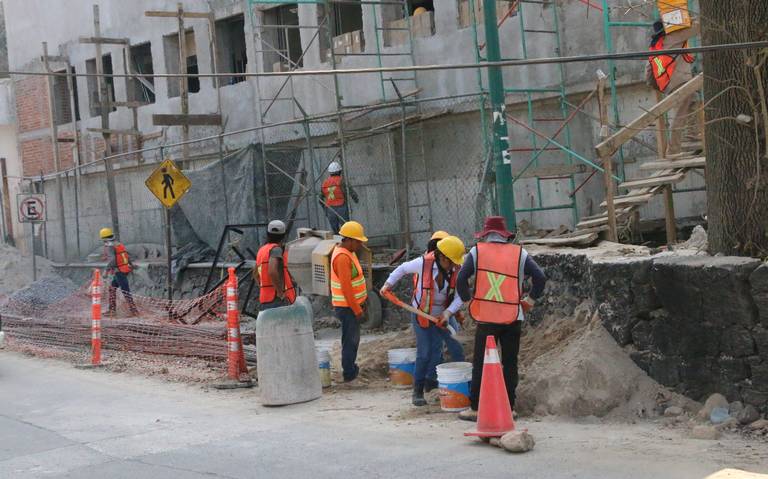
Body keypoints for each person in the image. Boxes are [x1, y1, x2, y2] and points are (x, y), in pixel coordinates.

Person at [455, 216, 546, 422]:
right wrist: (530, 300)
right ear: (505, 236)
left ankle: (476, 407)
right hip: (513, 317)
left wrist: (470, 301)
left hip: (486, 318)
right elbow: (539, 277)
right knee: (510, 362)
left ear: (485, 234)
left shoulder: (477, 252)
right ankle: (510, 407)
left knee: (481, 363)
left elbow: (460, 279)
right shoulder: (520, 254)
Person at [381, 235, 466, 406]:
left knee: (456, 348)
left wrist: (448, 314)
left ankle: (460, 386)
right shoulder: (423, 264)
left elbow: (460, 297)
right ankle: (417, 391)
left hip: (443, 315)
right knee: (425, 352)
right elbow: (402, 269)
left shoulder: (457, 269)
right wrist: (387, 285)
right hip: (422, 315)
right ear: (442, 257)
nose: (455, 265)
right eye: (452, 261)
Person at [646, 20, 700, 155]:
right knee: (680, 115)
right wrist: (688, 19)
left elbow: (648, 71)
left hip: (670, 84)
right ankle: (673, 150)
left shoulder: (655, 47)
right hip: (681, 82)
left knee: (694, 103)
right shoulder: (673, 37)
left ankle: (693, 135)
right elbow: (697, 28)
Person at [330, 221, 369, 382]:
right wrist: (357, 309)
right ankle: (349, 373)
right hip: (347, 307)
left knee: (352, 339)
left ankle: (350, 369)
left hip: (350, 305)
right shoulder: (341, 258)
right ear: (349, 240)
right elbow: (346, 288)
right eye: (358, 241)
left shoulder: (347, 252)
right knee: (350, 340)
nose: (360, 244)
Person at [425, 231, 465, 374]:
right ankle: (432, 379)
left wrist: (454, 313)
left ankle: (462, 373)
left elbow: (454, 295)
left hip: (445, 312)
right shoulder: (425, 266)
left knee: (455, 344)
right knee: (433, 347)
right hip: (426, 314)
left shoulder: (454, 269)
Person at [255, 220, 296, 310]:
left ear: (268, 234)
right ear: (283, 236)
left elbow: (256, 274)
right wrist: (280, 293)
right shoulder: (276, 250)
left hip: (265, 298)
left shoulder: (262, 250)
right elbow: (272, 271)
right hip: (276, 299)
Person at [100, 227, 139, 317]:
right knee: (112, 289)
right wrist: (131, 265)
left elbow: (113, 260)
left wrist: (106, 270)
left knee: (125, 291)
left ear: (103, 238)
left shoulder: (110, 246)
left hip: (119, 271)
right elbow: (126, 256)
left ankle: (134, 311)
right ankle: (112, 310)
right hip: (124, 269)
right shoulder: (118, 244)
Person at [321, 161, 359, 234]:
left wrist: (325, 209)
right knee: (346, 228)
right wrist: (356, 199)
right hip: (342, 206)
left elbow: (321, 197)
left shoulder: (325, 182)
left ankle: (338, 243)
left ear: (330, 172)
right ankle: (347, 243)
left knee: (335, 231)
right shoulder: (342, 181)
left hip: (330, 208)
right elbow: (350, 191)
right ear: (339, 171)